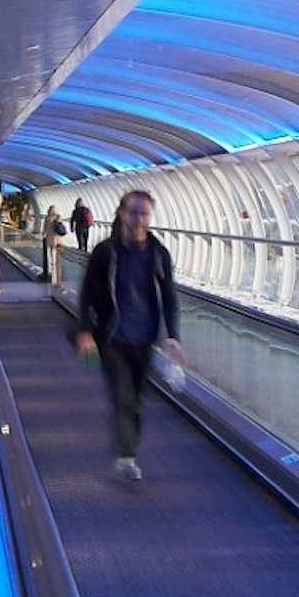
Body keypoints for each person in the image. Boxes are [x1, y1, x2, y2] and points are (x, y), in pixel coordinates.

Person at [78, 188, 181, 480]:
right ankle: (126, 455)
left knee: (136, 399)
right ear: (122, 213)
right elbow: (86, 293)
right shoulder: (105, 252)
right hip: (112, 338)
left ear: (150, 216)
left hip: (144, 338)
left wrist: (173, 336)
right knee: (122, 396)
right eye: (133, 212)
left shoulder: (158, 253)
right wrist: (86, 330)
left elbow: (170, 296)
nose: (138, 219)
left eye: (144, 213)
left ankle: (129, 450)